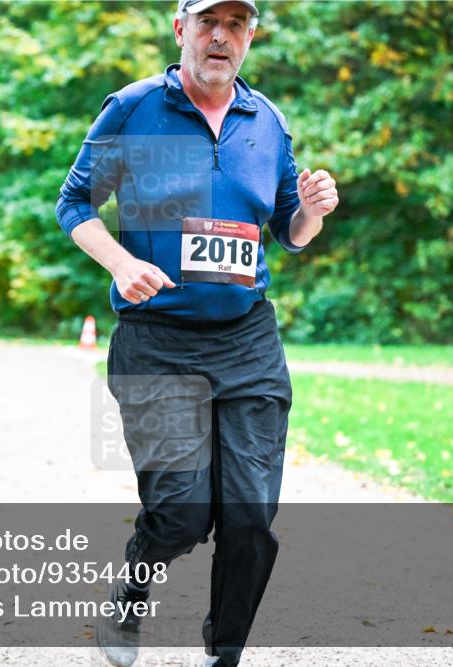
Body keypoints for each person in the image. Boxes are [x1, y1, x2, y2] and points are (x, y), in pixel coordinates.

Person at [55, 1, 339, 666]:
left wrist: (314, 212)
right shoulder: (132, 108)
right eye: (208, 22)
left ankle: (225, 652)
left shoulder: (266, 120)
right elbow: (74, 204)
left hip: (247, 341)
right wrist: (122, 264)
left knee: (247, 515)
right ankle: (129, 596)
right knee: (181, 512)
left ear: (250, 36)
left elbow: (289, 230)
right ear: (180, 28)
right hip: (157, 340)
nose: (221, 37)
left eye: (236, 24)